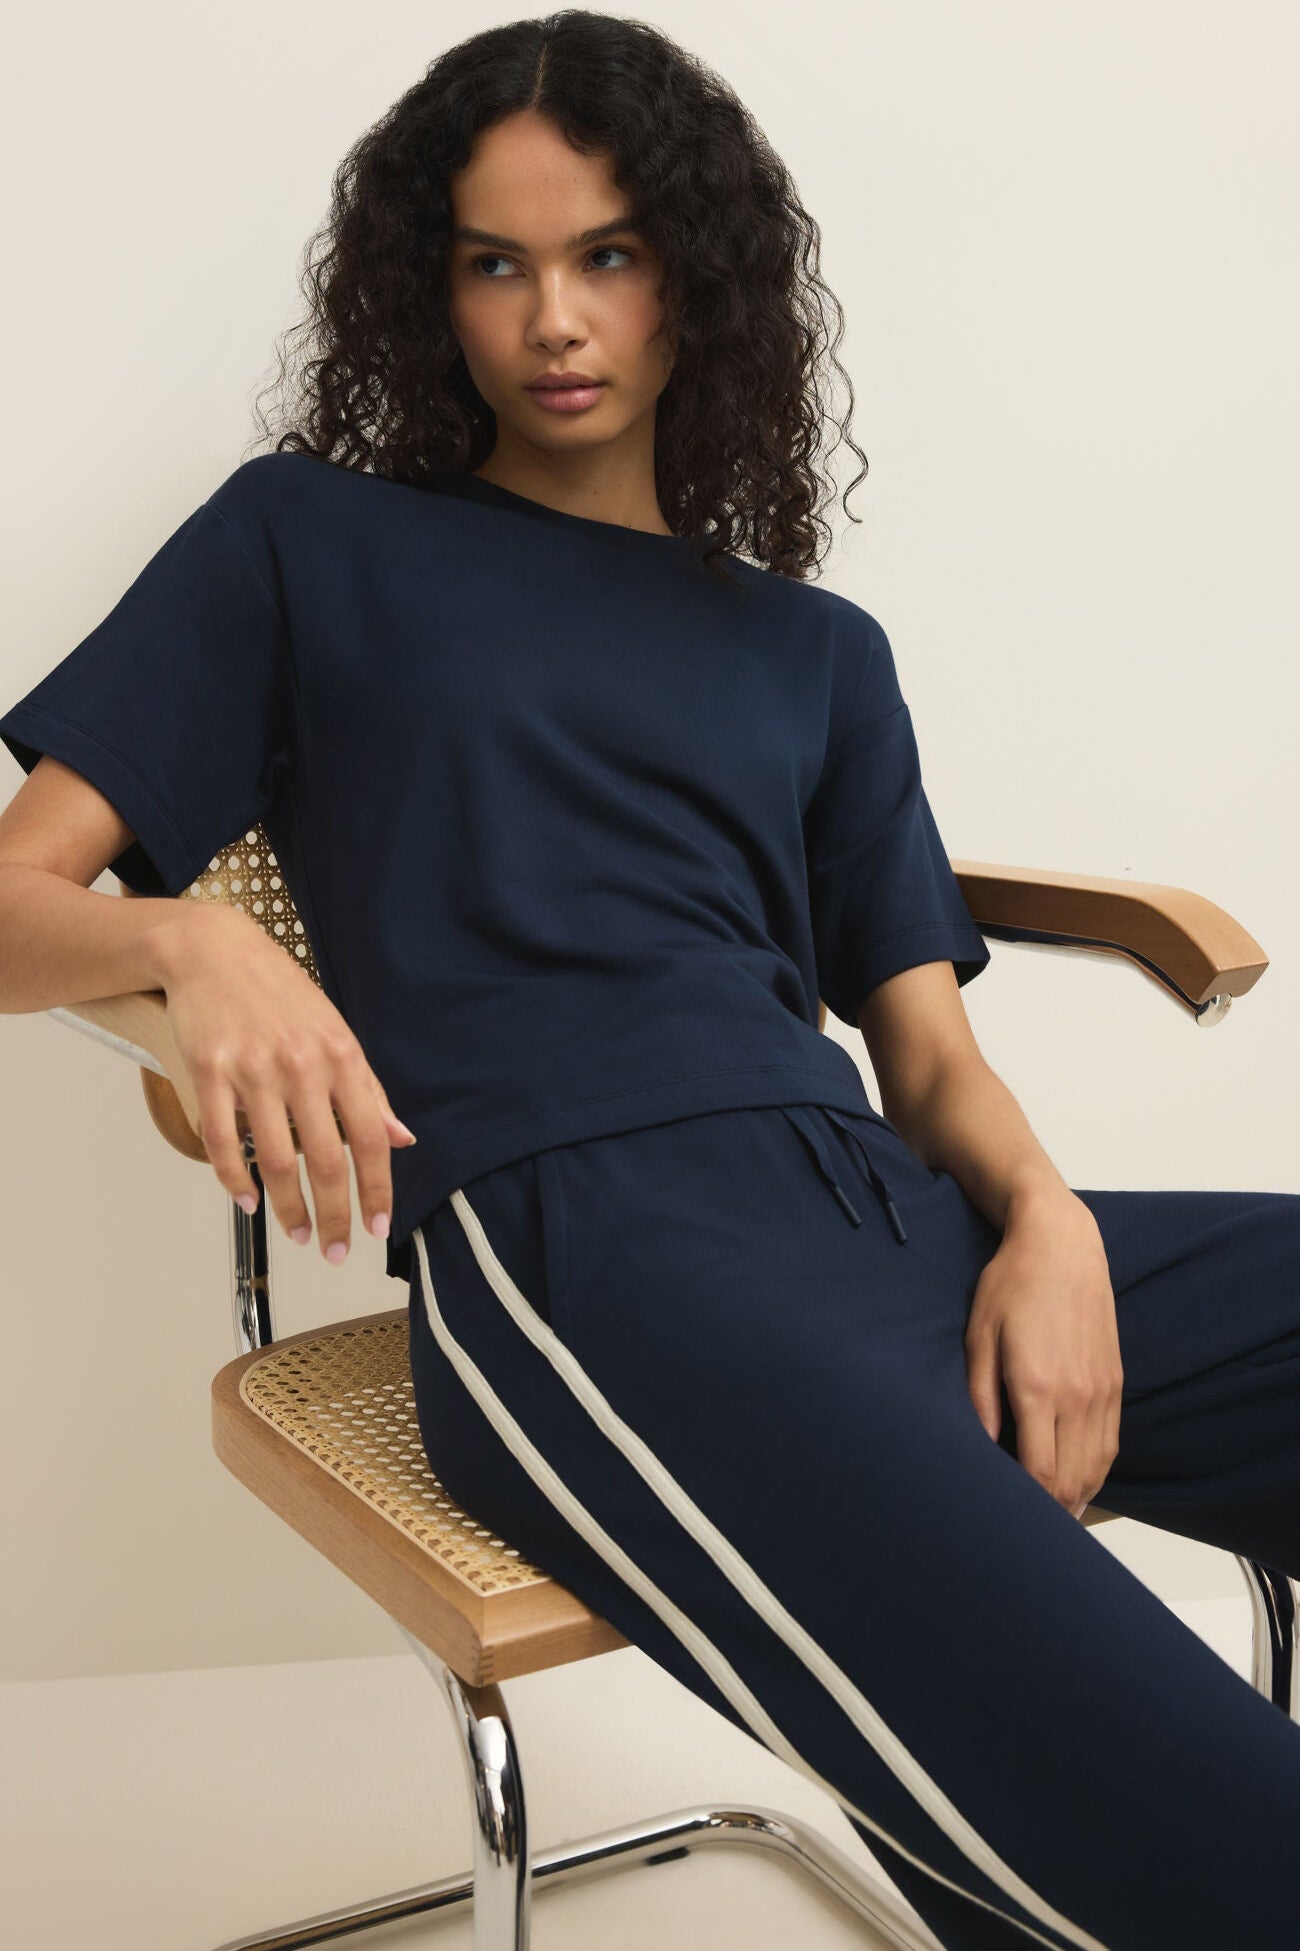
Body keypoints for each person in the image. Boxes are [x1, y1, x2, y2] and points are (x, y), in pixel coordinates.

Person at [1, 15, 1297, 1950]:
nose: (556, 320)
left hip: (885, 1208)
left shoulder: (817, 653)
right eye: (494, 263)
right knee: (1190, 1801)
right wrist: (185, 937)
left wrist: (1046, 1225)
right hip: (590, 1244)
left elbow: (927, 1056)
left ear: (700, 271)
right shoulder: (311, 538)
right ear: (424, 292)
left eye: (609, 253)